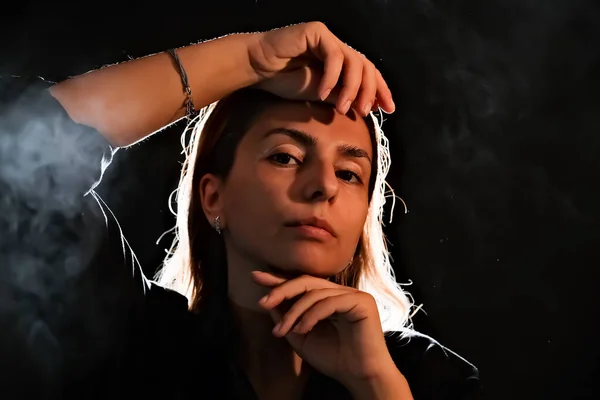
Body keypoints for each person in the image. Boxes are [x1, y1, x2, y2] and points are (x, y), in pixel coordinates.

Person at [0, 22, 479, 399]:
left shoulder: (426, 380)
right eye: (285, 157)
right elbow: (13, 159)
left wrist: (376, 385)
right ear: (213, 197)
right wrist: (249, 58)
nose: (324, 187)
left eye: (351, 173)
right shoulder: (138, 346)